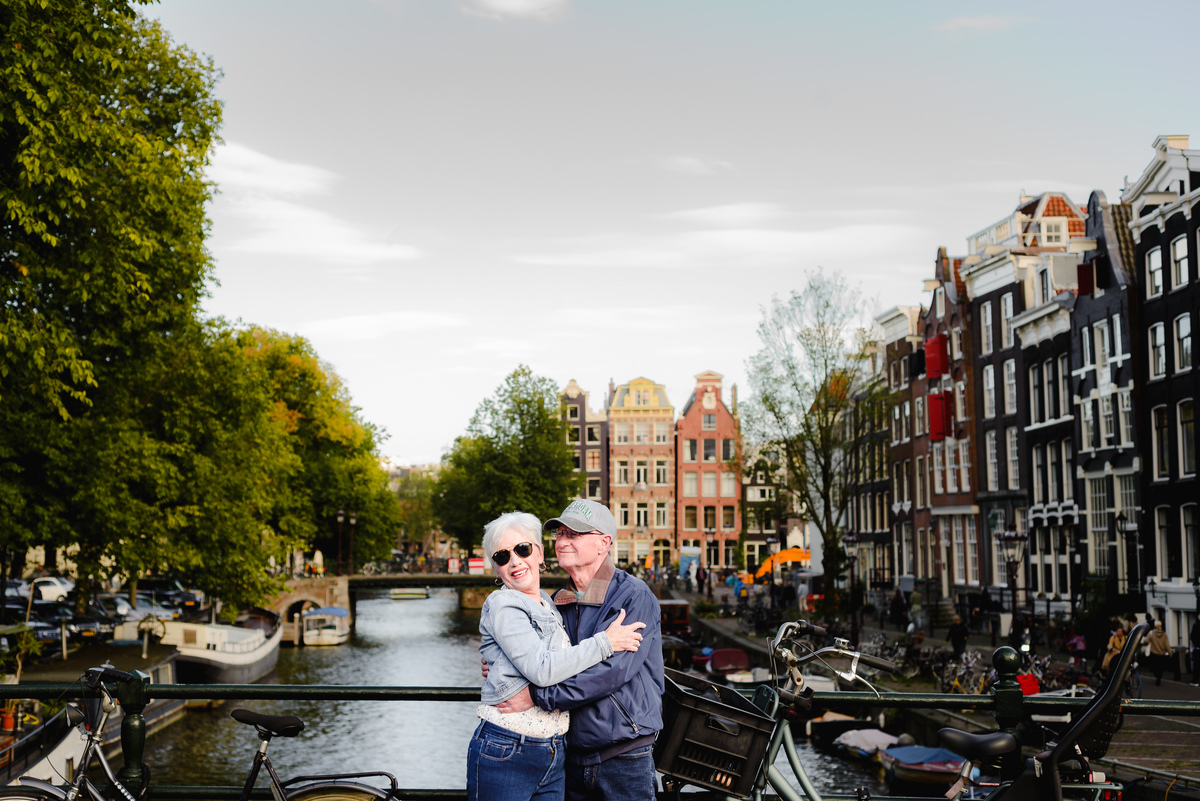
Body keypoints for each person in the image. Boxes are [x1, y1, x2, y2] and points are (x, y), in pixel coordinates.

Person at [469, 512, 646, 801]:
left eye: (523, 549)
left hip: (555, 750)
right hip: (509, 746)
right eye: (502, 556)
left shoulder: (551, 603)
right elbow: (542, 669)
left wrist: (506, 669)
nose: (514, 561)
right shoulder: (503, 604)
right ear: (495, 567)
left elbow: (576, 664)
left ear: (539, 553)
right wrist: (606, 642)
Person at [1147, 620, 1171, 687]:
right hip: (1161, 654)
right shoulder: (1164, 634)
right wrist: (1170, 653)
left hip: (1154, 653)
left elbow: (1146, 640)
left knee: (1155, 667)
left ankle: (1157, 676)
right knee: (1160, 667)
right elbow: (1167, 645)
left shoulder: (1151, 633)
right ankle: (1159, 678)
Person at [1191, 616, 1200, 686]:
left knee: (1196, 665)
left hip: (1197, 649)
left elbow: (1192, 636)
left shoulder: (1196, 626)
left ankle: (1195, 681)